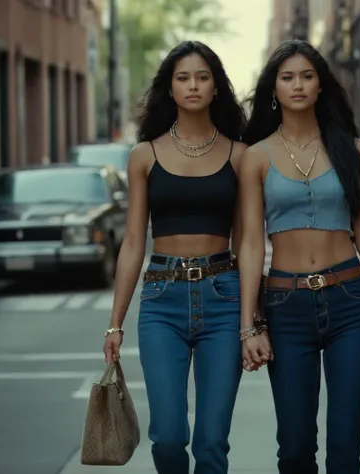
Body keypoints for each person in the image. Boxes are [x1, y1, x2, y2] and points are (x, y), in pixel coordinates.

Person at [238, 39, 360, 474]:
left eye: (307, 76)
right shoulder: (255, 157)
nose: (298, 85)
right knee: (294, 448)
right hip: (286, 307)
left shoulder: (353, 149)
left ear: (321, 86)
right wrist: (248, 325)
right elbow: (251, 244)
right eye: (287, 77)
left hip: (349, 303)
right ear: (273, 89)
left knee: (346, 448)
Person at [103, 40, 248, 474]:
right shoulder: (143, 156)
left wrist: (251, 317)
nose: (193, 86)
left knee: (211, 443)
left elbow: (246, 242)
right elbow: (133, 243)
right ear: (169, 88)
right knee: (167, 439)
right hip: (161, 300)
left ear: (216, 87)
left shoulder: (240, 156)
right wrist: (116, 322)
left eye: (203, 77)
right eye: (183, 78)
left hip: (223, 296)